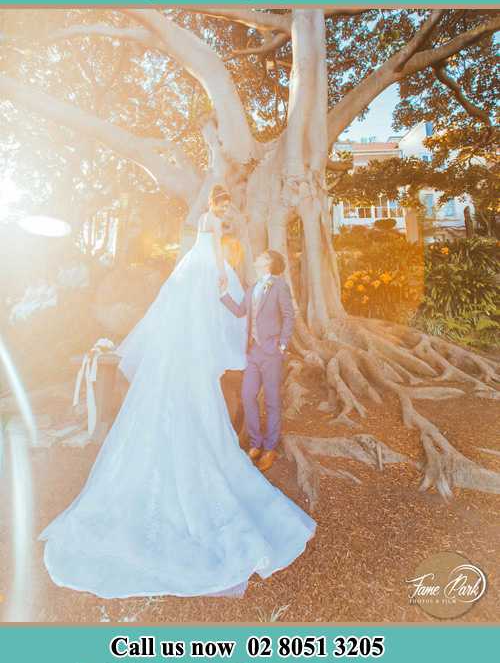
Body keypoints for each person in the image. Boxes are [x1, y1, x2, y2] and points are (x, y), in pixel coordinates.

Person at [37, 185, 316, 599]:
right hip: (196, 347)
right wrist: (225, 279)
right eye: (222, 207)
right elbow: (219, 276)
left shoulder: (189, 263)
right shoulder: (211, 246)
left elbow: (204, 289)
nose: (224, 212)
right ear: (215, 208)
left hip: (183, 356)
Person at [220, 250, 292, 473]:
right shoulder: (252, 288)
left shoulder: (280, 286)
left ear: (269, 263)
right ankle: (255, 443)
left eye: (261, 256)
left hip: (271, 352)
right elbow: (240, 312)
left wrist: (282, 344)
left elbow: (289, 315)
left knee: (271, 401)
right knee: (247, 395)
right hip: (252, 353)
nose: (257, 258)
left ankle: (270, 448)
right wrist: (223, 294)